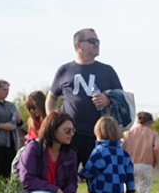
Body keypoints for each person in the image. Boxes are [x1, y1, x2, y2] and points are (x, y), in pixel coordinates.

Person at [46, 28, 123, 168]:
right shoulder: (64, 70)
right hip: (70, 136)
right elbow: (51, 98)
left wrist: (108, 99)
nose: (97, 44)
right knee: (65, 178)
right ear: (78, 45)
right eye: (92, 41)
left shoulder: (107, 70)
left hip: (100, 137)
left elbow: (121, 98)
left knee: (98, 182)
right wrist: (53, 121)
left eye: (98, 41)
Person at [17, 111, 89, 193]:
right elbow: (26, 179)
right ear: (53, 129)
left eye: (73, 130)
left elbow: (72, 181)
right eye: (67, 130)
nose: (71, 134)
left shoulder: (70, 154)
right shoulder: (33, 148)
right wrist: (55, 190)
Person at [122, 111, 159, 193]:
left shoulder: (128, 132)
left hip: (129, 164)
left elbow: (122, 146)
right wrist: (156, 161)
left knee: (128, 186)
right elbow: (157, 148)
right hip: (145, 164)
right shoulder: (153, 133)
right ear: (149, 122)